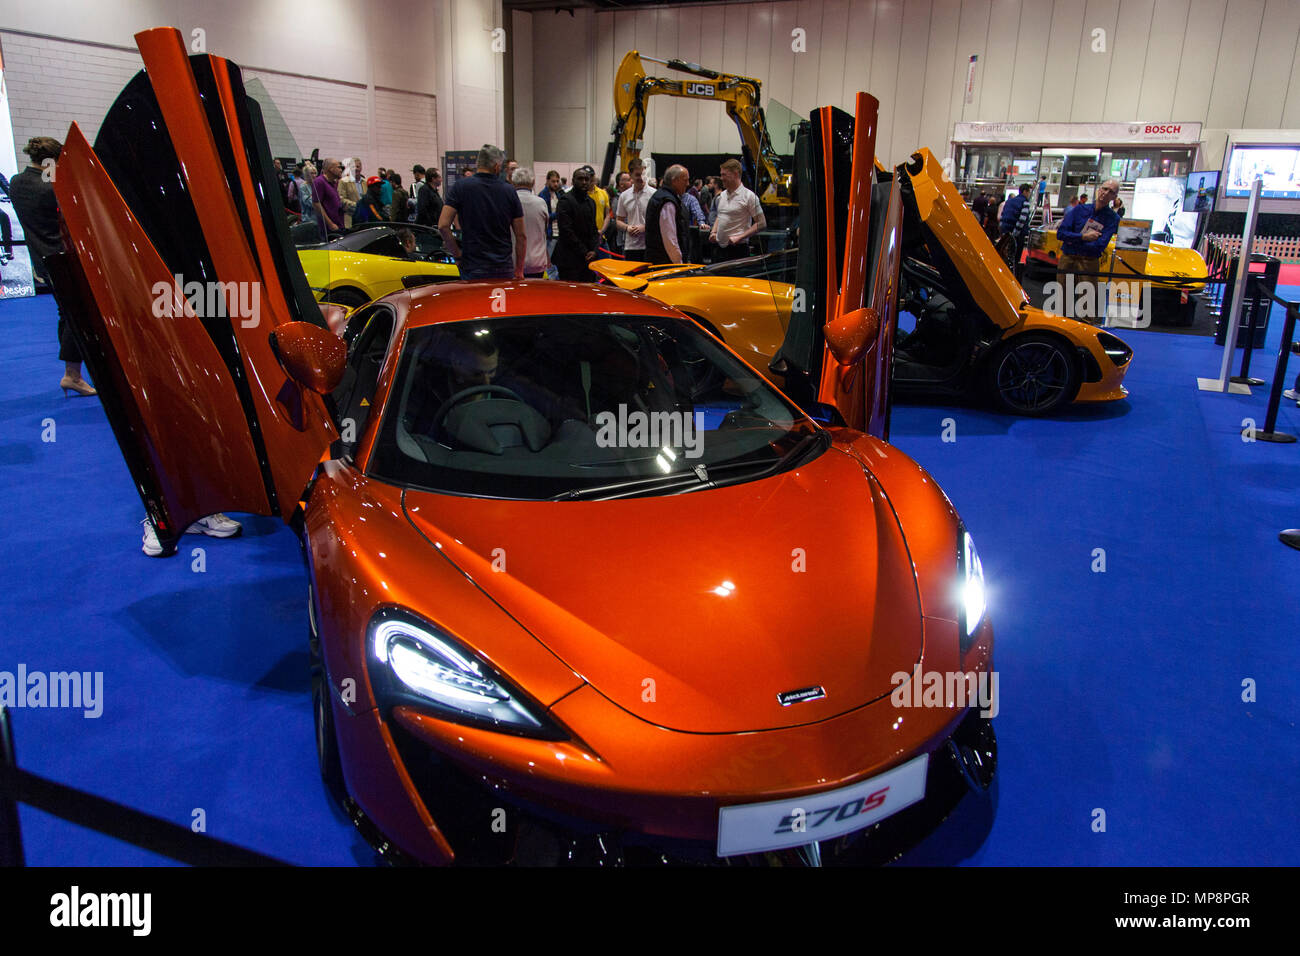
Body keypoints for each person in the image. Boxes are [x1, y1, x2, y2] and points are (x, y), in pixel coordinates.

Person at [8, 136, 95, 397]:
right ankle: (72, 375)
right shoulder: (51, 188)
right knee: (76, 316)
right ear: (51, 161)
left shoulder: (17, 182)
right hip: (63, 259)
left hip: (41, 260)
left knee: (65, 313)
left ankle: (73, 373)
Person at [438, 144, 525, 281]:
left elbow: (443, 225)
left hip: (472, 265)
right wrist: (519, 269)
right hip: (502, 266)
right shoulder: (509, 191)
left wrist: (457, 255)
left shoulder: (460, 187)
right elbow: (521, 235)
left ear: (478, 163)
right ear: (496, 166)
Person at [1056, 179, 1121, 325]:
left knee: (1087, 303)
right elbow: (1061, 234)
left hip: (1089, 261)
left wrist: (1073, 239)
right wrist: (1083, 237)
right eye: (1105, 189)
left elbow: (1100, 245)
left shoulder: (1113, 218)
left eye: (1111, 191)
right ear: (1099, 189)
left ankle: (1085, 333)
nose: (1106, 193)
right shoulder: (1079, 210)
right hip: (1068, 257)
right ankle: (1060, 327)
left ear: (1114, 197)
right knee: (1062, 298)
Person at [708, 158, 764, 261]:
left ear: (735, 174)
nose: (721, 178)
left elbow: (761, 223)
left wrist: (740, 237)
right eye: (721, 175)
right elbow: (720, 216)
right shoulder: (722, 196)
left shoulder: (749, 196)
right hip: (719, 250)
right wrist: (713, 232)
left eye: (724, 175)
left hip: (738, 251)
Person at [552, 166, 600, 281]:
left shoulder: (591, 202)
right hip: (569, 259)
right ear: (573, 181)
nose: (584, 182)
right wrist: (584, 251)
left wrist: (594, 250)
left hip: (588, 260)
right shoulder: (565, 201)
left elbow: (594, 229)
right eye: (580, 179)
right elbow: (566, 231)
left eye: (586, 179)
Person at [645, 164, 691, 265]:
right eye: (685, 180)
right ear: (674, 181)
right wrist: (679, 264)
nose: (688, 184)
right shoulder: (667, 202)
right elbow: (670, 240)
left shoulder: (662, 196)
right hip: (666, 263)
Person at [511, 168, 551, 279]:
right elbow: (544, 230)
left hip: (514, 261)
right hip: (537, 262)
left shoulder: (509, 201)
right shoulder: (541, 203)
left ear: (513, 182)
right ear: (533, 182)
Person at [615, 158, 652, 261]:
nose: (641, 178)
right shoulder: (624, 196)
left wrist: (645, 227)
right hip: (630, 247)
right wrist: (627, 228)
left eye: (643, 174)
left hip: (649, 246)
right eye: (637, 175)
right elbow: (618, 221)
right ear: (630, 175)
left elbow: (660, 222)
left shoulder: (654, 194)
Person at [313, 158, 345, 240]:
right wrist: (330, 223)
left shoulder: (334, 183)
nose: (341, 170)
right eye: (339, 167)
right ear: (331, 169)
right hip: (329, 229)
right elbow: (316, 204)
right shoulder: (319, 182)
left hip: (339, 225)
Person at [538, 170, 563, 259]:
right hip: (549, 234)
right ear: (547, 181)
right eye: (553, 181)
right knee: (547, 260)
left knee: (557, 260)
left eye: (557, 181)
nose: (556, 184)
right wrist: (559, 213)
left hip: (559, 233)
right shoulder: (543, 195)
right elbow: (544, 216)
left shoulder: (558, 194)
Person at [415, 165, 444, 231]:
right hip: (428, 228)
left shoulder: (435, 192)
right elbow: (422, 209)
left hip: (435, 226)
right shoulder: (424, 190)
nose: (441, 180)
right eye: (439, 177)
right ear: (433, 179)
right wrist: (430, 224)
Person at [338, 157, 360, 229]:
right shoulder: (343, 181)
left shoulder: (365, 182)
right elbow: (341, 200)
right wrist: (358, 206)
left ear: (361, 168)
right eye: (353, 167)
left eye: (358, 166)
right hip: (350, 217)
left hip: (363, 218)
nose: (356, 169)